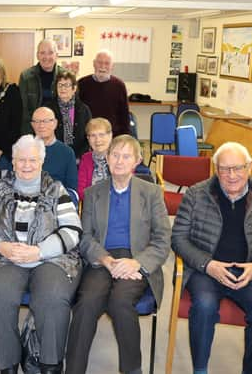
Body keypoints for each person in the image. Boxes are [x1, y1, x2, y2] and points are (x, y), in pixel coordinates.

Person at [171, 142, 252, 374]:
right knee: (204, 306)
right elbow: (178, 238)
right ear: (216, 169)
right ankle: (201, 369)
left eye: (237, 168)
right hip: (206, 270)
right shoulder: (196, 194)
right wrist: (208, 265)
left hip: (248, 273)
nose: (231, 175)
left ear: (249, 167)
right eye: (224, 169)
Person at [65, 134, 171, 374]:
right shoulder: (93, 193)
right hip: (102, 259)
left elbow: (163, 239)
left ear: (137, 161)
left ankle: (132, 370)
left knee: (121, 302)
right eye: (115, 155)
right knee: (87, 302)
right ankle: (73, 369)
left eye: (126, 156)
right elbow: (85, 236)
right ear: (107, 159)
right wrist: (105, 259)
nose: (120, 161)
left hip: (137, 259)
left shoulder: (151, 193)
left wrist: (137, 263)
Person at [0, 135, 82, 374]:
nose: (27, 165)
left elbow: (72, 231)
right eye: (21, 160)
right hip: (10, 257)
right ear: (13, 162)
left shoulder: (56, 189)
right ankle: (9, 363)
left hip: (51, 259)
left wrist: (39, 251)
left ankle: (49, 364)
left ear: (42, 161)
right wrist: (1, 246)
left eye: (32, 160)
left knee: (53, 298)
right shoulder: (0, 188)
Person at [77, 49, 131, 137]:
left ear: (112, 66)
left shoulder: (119, 85)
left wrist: (125, 137)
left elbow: (124, 115)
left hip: (112, 136)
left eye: (107, 63)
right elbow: (77, 112)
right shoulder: (82, 83)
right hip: (88, 135)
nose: (103, 66)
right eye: (100, 62)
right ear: (94, 64)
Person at [19, 39, 66, 134]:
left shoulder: (65, 76)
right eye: (42, 53)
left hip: (58, 132)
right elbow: (23, 109)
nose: (46, 56)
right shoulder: (26, 77)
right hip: (33, 130)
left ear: (57, 55)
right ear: (37, 55)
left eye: (50, 53)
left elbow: (70, 108)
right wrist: (30, 133)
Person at [43, 70, 91, 159]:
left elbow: (89, 136)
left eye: (67, 85)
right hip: (53, 155)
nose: (63, 88)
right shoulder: (47, 108)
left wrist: (78, 157)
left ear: (74, 88)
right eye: (60, 85)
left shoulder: (84, 110)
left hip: (77, 158)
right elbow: (42, 133)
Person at [30, 107, 77, 192]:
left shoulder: (67, 152)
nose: (41, 125)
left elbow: (72, 189)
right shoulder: (23, 150)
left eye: (46, 121)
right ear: (32, 125)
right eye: (36, 121)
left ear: (55, 123)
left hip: (57, 200)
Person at [77, 118, 113, 200]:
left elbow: (127, 186)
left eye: (101, 135)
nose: (98, 140)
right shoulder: (86, 158)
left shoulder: (120, 156)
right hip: (93, 205)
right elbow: (80, 190)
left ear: (110, 135)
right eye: (93, 135)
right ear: (88, 138)